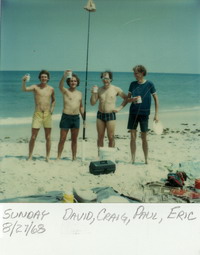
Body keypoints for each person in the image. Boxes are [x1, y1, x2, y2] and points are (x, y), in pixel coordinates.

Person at [127, 65, 159, 164]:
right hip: (133, 112)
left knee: (144, 137)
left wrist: (156, 114)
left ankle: (146, 159)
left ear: (142, 73)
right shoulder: (132, 84)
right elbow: (127, 99)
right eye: (134, 73)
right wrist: (132, 99)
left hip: (145, 113)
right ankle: (132, 159)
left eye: (136, 73)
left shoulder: (150, 84)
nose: (134, 75)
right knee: (132, 137)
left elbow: (156, 99)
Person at [22, 70, 55, 162]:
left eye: (45, 77)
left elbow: (54, 100)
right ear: (40, 78)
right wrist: (24, 81)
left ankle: (47, 157)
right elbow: (24, 89)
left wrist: (52, 110)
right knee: (33, 136)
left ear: (48, 78)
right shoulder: (35, 87)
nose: (44, 78)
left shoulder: (51, 89)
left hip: (47, 114)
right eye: (42, 77)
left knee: (48, 137)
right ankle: (30, 156)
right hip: (37, 114)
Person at [90, 71, 127, 150]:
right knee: (100, 137)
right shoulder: (99, 89)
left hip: (111, 115)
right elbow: (92, 103)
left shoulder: (116, 89)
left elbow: (126, 98)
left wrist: (119, 108)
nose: (105, 80)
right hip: (100, 115)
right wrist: (93, 93)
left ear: (111, 79)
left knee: (111, 137)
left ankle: (110, 156)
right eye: (103, 78)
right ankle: (100, 157)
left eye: (107, 78)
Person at [57, 71, 84, 161]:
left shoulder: (80, 93)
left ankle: (74, 157)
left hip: (76, 118)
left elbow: (81, 106)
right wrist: (64, 76)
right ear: (68, 82)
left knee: (74, 140)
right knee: (62, 139)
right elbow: (60, 86)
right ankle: (59, 156)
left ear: (77, 82)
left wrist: (84, 118)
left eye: (75, 81)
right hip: (66, 117)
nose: (73, 82)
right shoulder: (65, 91)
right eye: (71, 81)